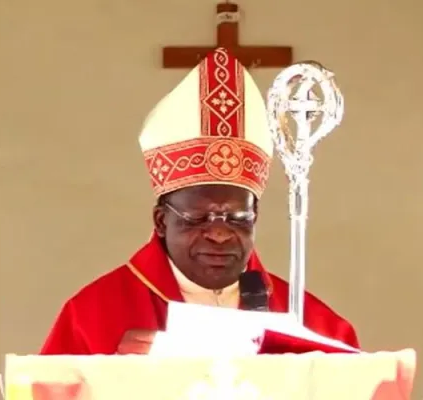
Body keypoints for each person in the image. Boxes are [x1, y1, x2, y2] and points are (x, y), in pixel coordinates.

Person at [40, 48, 359, 355]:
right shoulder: (93, 316)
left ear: (255, 217)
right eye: (197, 218)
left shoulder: (312, 324)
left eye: (237, 218)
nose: (219, 234)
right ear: (161, 221)